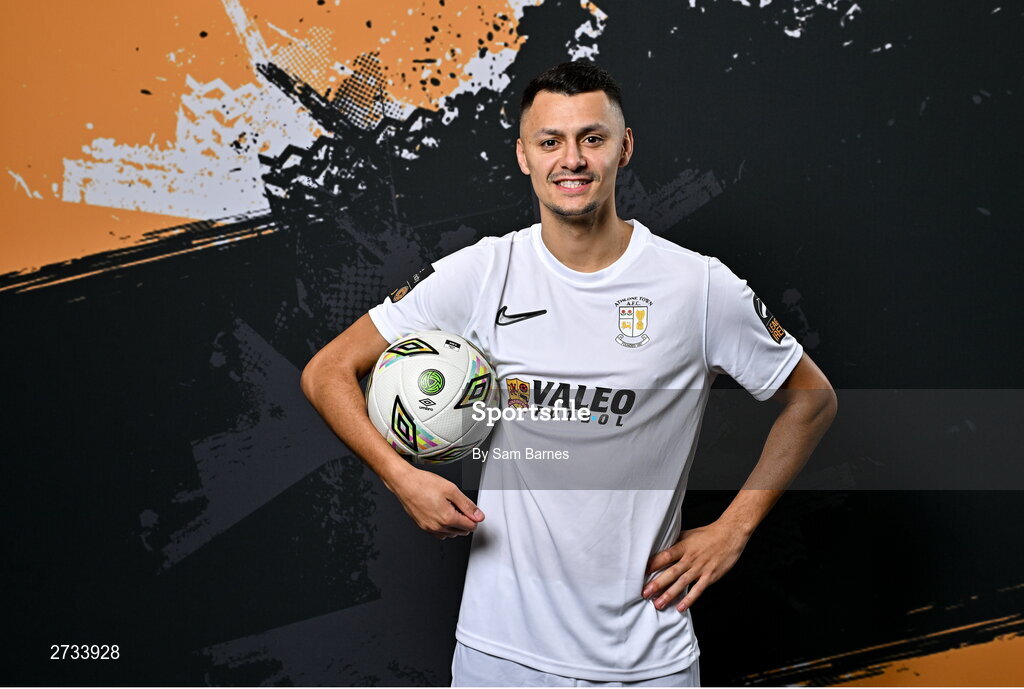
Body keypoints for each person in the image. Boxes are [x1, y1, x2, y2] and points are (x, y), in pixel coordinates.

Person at [301, 61, 837, 687]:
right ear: (524, 156)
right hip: (502, 653)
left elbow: (812, 400)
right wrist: (399, 477)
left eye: (592, 138)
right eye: (550, 141)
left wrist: (733, 528)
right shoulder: (484, 272)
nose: (572, 160)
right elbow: (327, 371)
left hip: (647, 657)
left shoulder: (698, 286)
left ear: (624, 147)